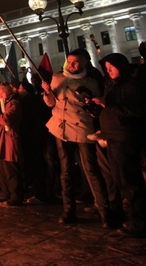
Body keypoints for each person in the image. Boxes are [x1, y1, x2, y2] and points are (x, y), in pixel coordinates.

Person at [41, 50, 110, 226]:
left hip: (82, 128)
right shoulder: (57, 78)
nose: (70, 66)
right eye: (69, 62)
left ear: (84, 62)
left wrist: (92, 106)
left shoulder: (92, 82)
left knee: (91, 170)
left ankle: (104, 211)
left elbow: (97, 109)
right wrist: (46, 92)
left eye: (75, 63)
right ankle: (68, 210)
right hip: (60, 128)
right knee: (66, 170)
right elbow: (51, 103)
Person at [91, 53, 146, 235]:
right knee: (119, 179)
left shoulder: (131, 86)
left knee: (130, 181)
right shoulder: (110, 86)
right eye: (106, 67)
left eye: (112, 67)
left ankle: (140, 221)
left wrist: (106, 106)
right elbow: (110, 111)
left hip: (125, 138)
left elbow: (136, 111)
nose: (108, 70)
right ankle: (127, 215)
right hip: (111, 136)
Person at [0, 82, 24, 205]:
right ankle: (7, 192)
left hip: (10, 140)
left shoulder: (14, 103)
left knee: (11, 169)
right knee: (3, 168)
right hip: (2, 140)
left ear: (5, 93)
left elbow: (6, 119)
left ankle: (16, 195)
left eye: (0, 94)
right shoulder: (5, 103)